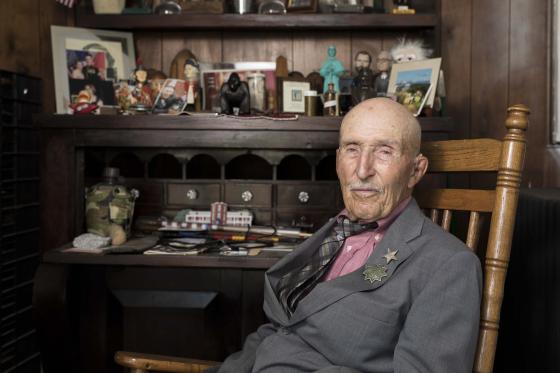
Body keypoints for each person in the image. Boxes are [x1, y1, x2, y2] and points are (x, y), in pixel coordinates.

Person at [208, 98, 482, 373]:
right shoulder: (336, 231)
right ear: (339, 160)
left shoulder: (450, 265)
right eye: (353, 149)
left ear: (415, 171)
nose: (362, 170)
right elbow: (282, 325)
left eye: (384, 151)